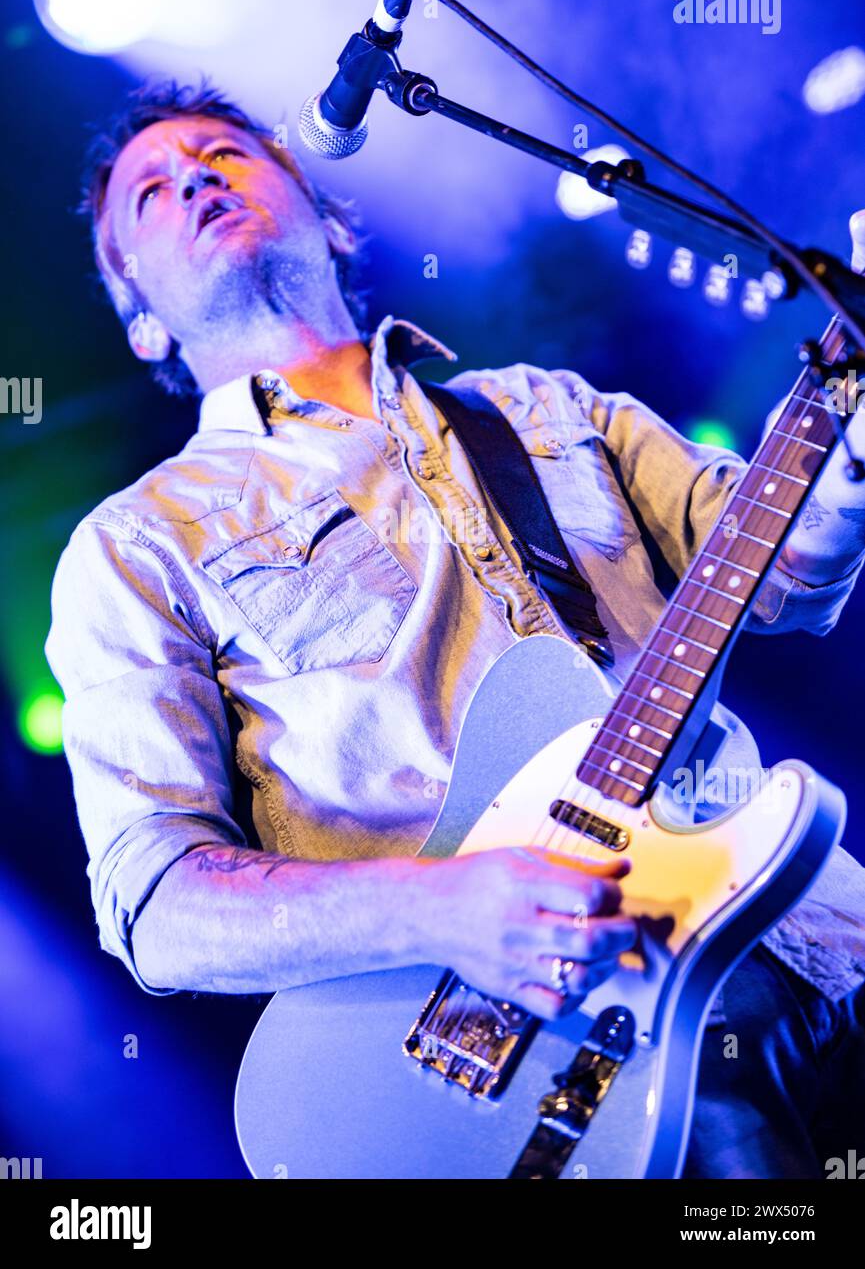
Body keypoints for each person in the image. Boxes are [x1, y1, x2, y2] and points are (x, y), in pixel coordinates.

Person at [45, 79, 865, 1178]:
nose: (192, 175)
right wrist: (439, 908)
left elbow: (788, 571)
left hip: (815, 924)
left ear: (323, 212)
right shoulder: (138, 544)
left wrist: (847, 443)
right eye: (149, 191)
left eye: (225, 153)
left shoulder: (548, 407)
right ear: (137, 307)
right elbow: (159, 902)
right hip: (572, 1047)